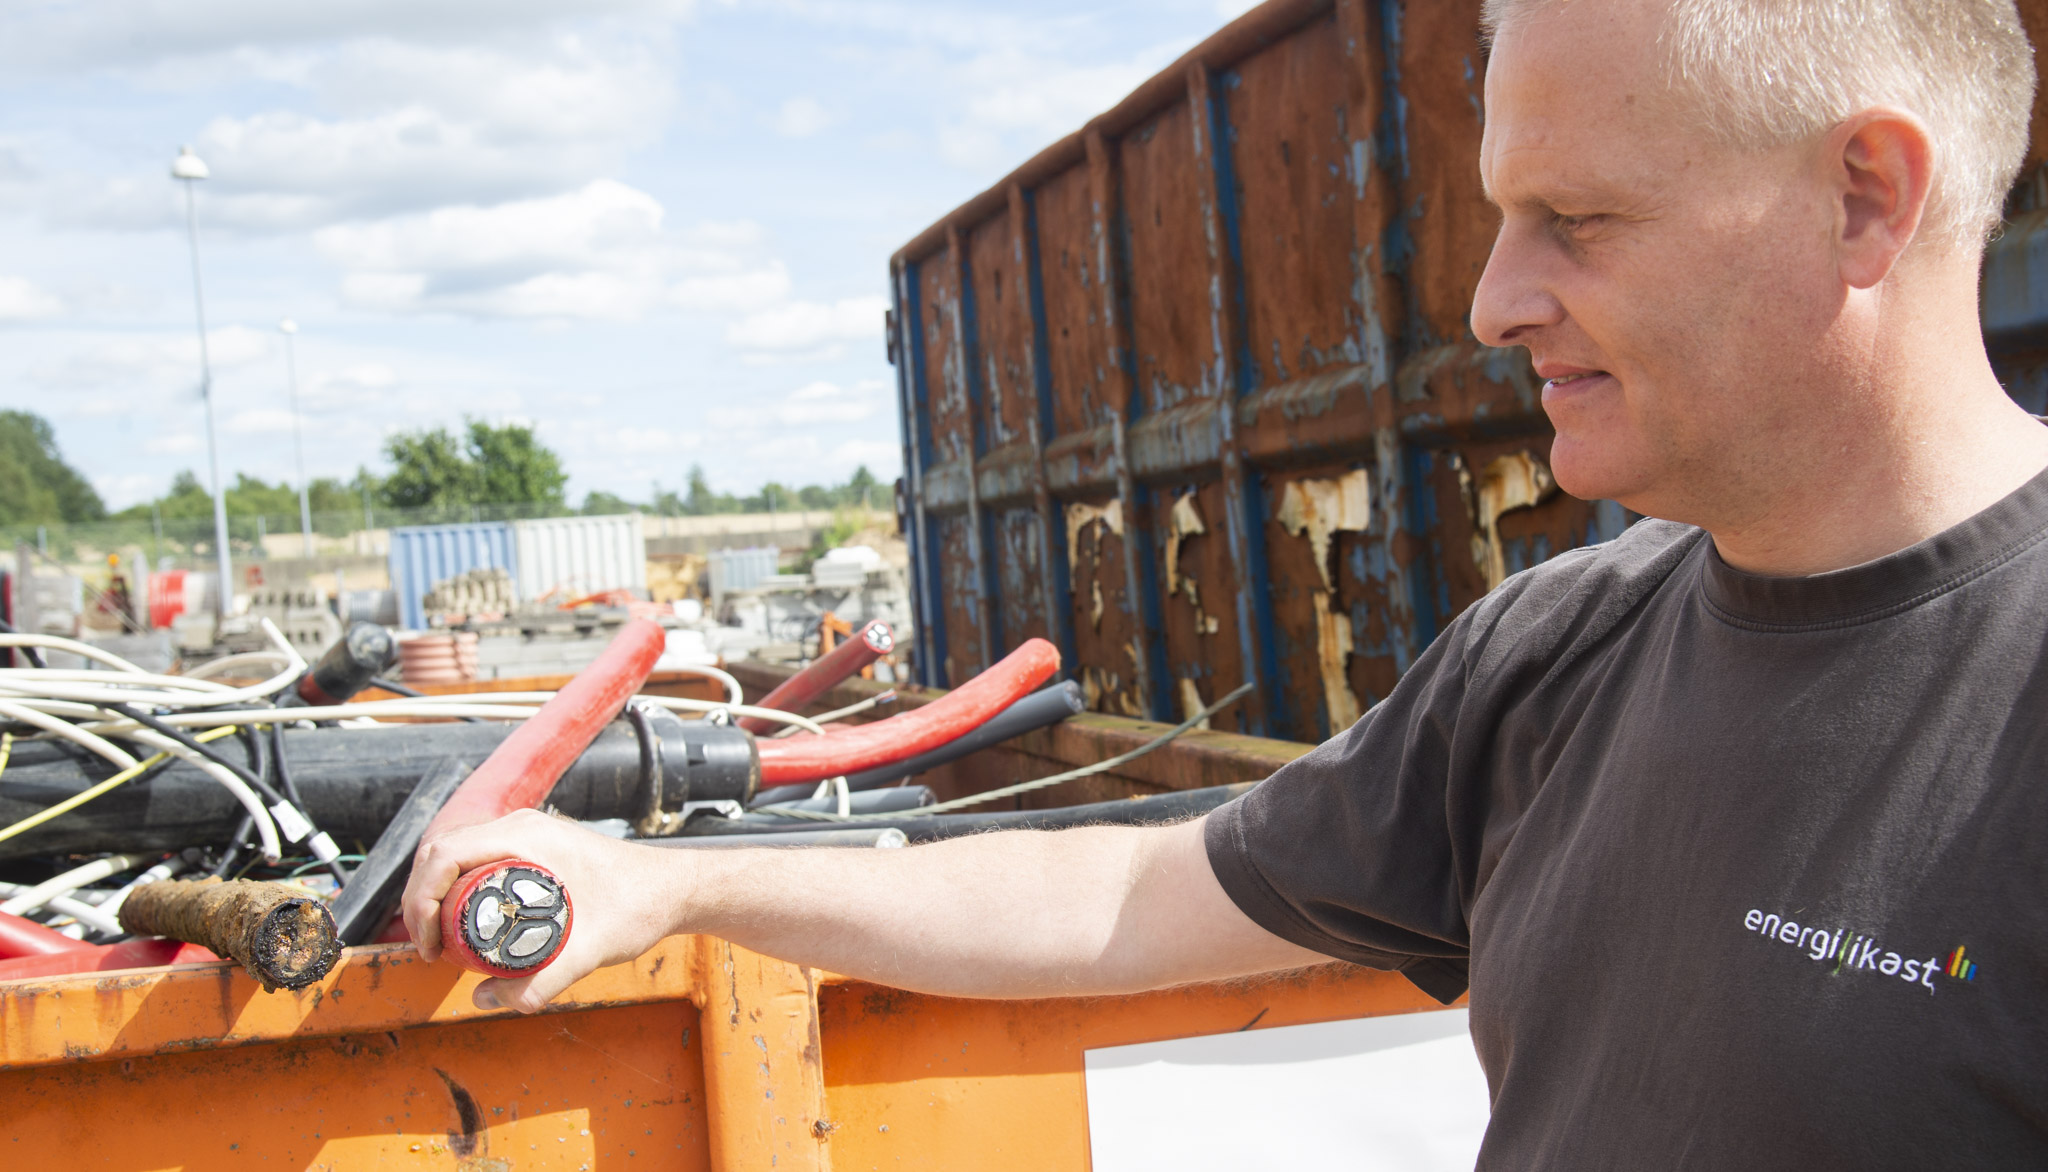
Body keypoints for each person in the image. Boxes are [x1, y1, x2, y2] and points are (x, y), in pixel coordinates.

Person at [404, 0, 2048, 1163]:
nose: (1491, 301)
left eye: (1579, 218)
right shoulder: (1556, 658)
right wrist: (675, 883)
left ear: (1863, 198)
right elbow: (1131, 894)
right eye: (1499, 219)